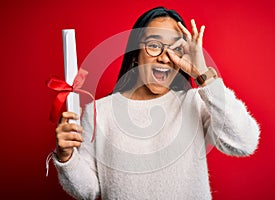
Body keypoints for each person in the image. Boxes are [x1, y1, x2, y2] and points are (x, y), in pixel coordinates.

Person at [53, 6, 260, 200]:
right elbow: (88, 190)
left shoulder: (195, 102)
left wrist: (202, 72)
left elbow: (244, 142)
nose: (164, 57)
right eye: (154, 45)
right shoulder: (99, 112)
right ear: (136, 54)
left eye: (175, 49)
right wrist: (66, 157)